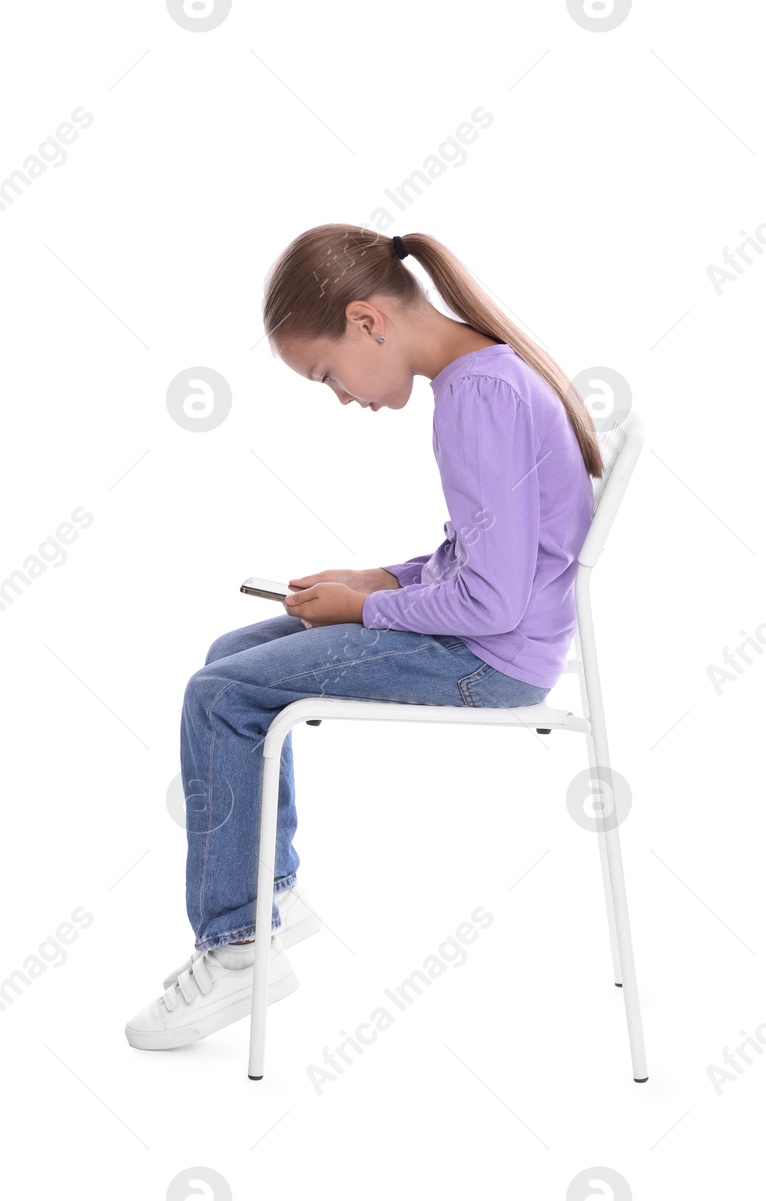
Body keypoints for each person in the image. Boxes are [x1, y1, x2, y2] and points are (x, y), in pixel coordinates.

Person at [125, 226, 604, 1050]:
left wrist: (361, 612)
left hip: (489, 662)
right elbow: (483, 558)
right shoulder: (482, 373)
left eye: (326, 374)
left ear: (367, 321)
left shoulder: (477, 396)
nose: (341, 395)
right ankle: (267, 891)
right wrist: (376, 580)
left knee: (219, 696)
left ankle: (239, 946)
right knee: (228, 657)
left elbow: (489, 600)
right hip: (495, 638)